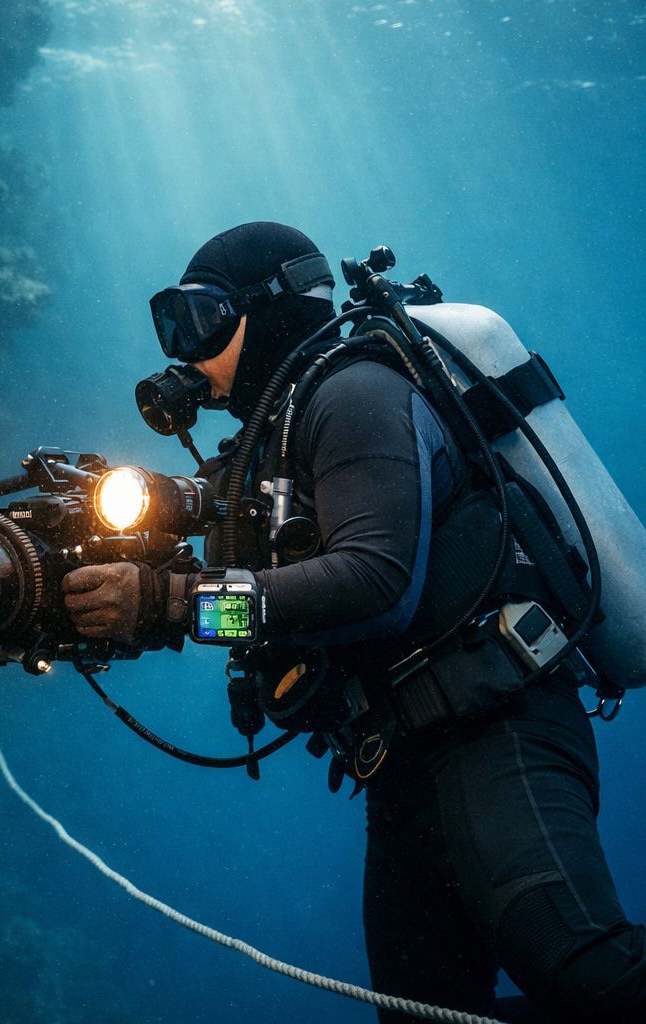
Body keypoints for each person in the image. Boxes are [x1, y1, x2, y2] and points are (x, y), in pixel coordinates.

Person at [61, 221, 646, 1022]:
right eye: (173, 327)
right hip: (400, 762)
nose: (186, 351)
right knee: (423, 1013)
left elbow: (375, 583)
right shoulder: (273, 443)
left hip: (494, 729)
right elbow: (242, 559)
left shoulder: (355, 397)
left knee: (590, 975)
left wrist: (169, 603)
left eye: (202, 321)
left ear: (268, 310)